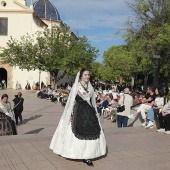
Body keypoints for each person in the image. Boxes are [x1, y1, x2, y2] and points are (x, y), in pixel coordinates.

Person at [50, 68, 106, 166]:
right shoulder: (76, 86)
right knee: (77, 131)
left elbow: (92, 102)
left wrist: (96, 114)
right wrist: (70, 115)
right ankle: (77, 153)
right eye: (85, 75)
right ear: (81, 76)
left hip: (89, 113)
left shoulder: (91, 87)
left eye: (88, 75)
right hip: (78, 111)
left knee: (91, 131)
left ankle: (88, 155)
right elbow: (71, 101)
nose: (87, 76)